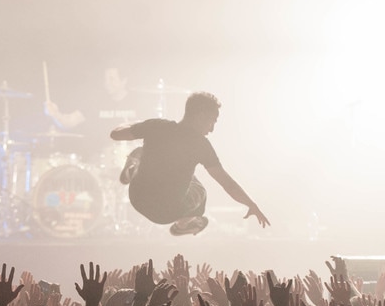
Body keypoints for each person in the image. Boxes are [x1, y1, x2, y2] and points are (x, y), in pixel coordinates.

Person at [110, 91, 269, 236]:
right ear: (201, 116)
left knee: (145, 153)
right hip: (164, 214)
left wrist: (140, 125)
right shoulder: (201, 145)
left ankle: (135, 165)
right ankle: (183, 224)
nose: (212, 129)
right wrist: (251, 204)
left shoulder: (156, 126)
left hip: (136, 197)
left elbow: (115, 134)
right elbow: (228, 184)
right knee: (200, 190)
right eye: (212, 122)